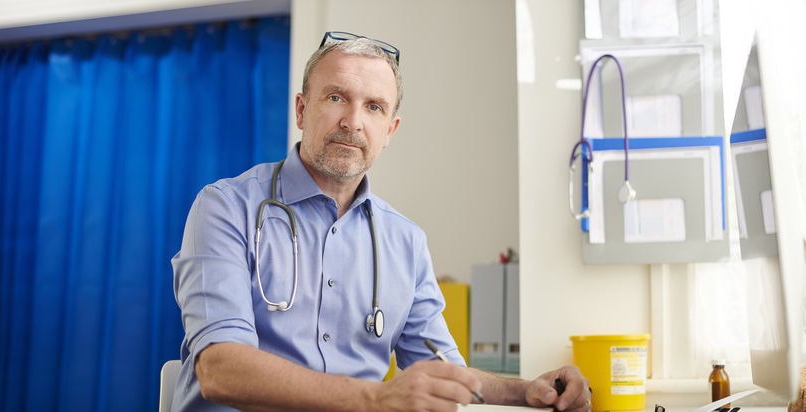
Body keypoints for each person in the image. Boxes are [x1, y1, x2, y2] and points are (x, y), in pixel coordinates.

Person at [171, 31, 592, 412]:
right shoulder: (226, 208)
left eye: (373, 107)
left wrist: (527, 391)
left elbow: (441, 369)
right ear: (301, 110)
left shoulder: (405, 241)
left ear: (389, 130)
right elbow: (220, 369)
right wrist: (376, 398)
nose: (353, 121)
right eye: (336, 98)